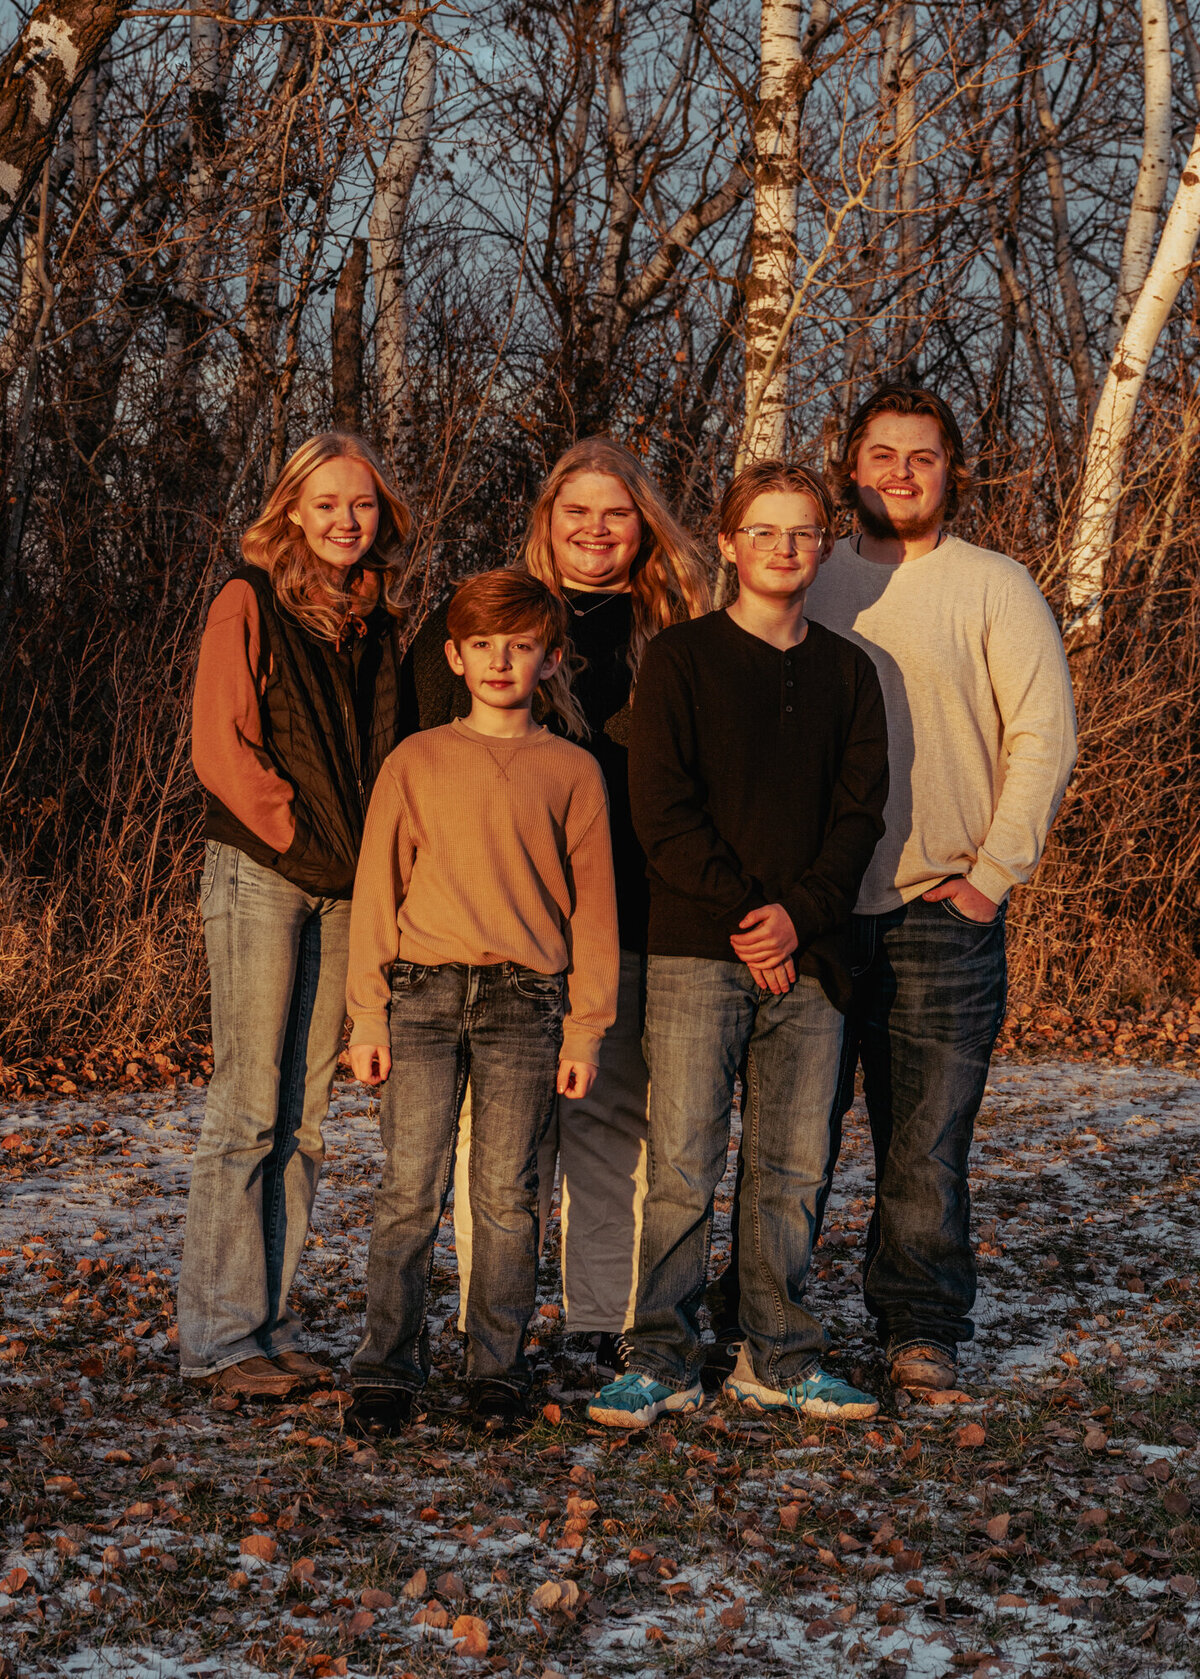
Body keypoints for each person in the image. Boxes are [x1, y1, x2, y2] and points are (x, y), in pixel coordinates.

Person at [587, 461, 889, 1429]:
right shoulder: (678, 659)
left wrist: (797, 917)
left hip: (813, 954)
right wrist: (748, 916)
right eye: (764, 531)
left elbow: (859, 817)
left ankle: (779, 1351)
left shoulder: (850, 672)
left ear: (823, 545)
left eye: (802, 533)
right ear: (728, 541)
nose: (784, 549)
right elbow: (660, 811)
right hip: (695, 949)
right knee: (680, 1160)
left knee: (792, 1165)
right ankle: (662, 1355)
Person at [409, 439, 710, 1380]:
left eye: (615, 512)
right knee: (492, 1133)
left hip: (642, 904)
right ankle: (479, 1321)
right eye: (574, 512)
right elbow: (435, 764)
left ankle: (594, 1318)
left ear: (644, 526)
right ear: (546, 521)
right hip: (512, 914)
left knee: (611, 1115)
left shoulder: (684, 622)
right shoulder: (495, 617)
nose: (594, 530)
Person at [802, 383, 1077, 1393]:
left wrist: (990, 878)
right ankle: (767, 1317)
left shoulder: (995, 585)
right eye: (882, 455)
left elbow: (1043, 737)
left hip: (939, 906)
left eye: (923, 456)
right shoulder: (808, 577)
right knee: (795, 1140)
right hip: (818, 912)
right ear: (852, 468)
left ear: (952, 469)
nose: (902, 474)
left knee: (925, 1144)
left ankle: (920, 1324)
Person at [344, 570, 619, 1435]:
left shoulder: (572, 771)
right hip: (421, 995)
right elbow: (376, 891)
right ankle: (388, 1367)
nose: (502, 661)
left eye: (522, 645)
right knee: (408, 1189)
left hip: (525, 1001)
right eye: (484, 645)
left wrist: (587, 1025)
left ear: (550, 658)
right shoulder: (417, 759)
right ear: (456, 656)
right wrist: (365, 1014)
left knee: (508, 1191)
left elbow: (596, 909)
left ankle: (495, 1368)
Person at [178, 432, 416, 1399]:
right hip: (264, 872)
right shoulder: (249, 598)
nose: (344, 521)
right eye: (325, 504)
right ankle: (221, 1340)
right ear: (290, 510)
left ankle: (267, 1326)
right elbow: (220, 746)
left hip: (349, 885)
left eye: (361, 504)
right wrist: (295, 831)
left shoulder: (377, 621)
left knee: (305, 1120)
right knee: (245, 1109)